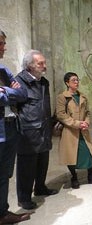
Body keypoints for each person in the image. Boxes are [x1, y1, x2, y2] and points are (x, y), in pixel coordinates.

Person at [15, 50, 58, 210]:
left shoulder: (44, 82)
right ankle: (24, 198)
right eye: (40, 63)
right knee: (26, 166)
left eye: (44, 62)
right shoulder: (19, 82)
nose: (44, 66)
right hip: (28, 132)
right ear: (29, 66)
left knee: (42, 162)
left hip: (44, 128)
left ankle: (40, 187)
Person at [0, 29, 31, 224]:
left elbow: (23, 94)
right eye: (1, 43)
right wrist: (8, 92)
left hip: (10, 128)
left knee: (4, 175)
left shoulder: (3, 70)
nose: (4, 47)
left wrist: (4, 91)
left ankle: (2, 213)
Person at [56, 72, 92, 189]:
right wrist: (77, 124)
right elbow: (61, 114)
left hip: (83, 130)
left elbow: (87, 112)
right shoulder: (62, 97)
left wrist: (86, 122)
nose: (76, 82)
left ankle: (91, 175)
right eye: (73, 80)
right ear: (67, 83)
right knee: (71, 155)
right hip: (70, 131)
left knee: (88, 152)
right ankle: (74, 177)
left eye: (77, 80)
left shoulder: (83, 96)